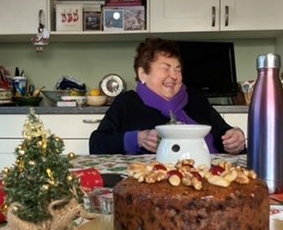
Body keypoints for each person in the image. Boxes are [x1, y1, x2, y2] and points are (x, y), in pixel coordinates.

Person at [89, 37, 246, 155]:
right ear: (143, 73)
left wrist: (235, 137)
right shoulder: (127, 102)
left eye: (177, 69)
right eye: (166, 68)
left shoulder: (195, 98)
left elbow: (223, 132)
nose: (174, 76)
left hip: (203, 177)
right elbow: (97, 144)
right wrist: (137, 139)